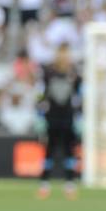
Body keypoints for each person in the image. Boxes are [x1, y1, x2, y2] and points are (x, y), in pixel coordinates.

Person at [37, 43, 81, 199]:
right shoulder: (48, 72)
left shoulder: (74, 74)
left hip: (68, 118)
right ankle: (44, 183)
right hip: (52, 118)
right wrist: (40, 113)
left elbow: (79, 96)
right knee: (49, 150)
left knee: (69, 151)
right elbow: (41, 94)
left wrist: (80, 115)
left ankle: (70, 183)